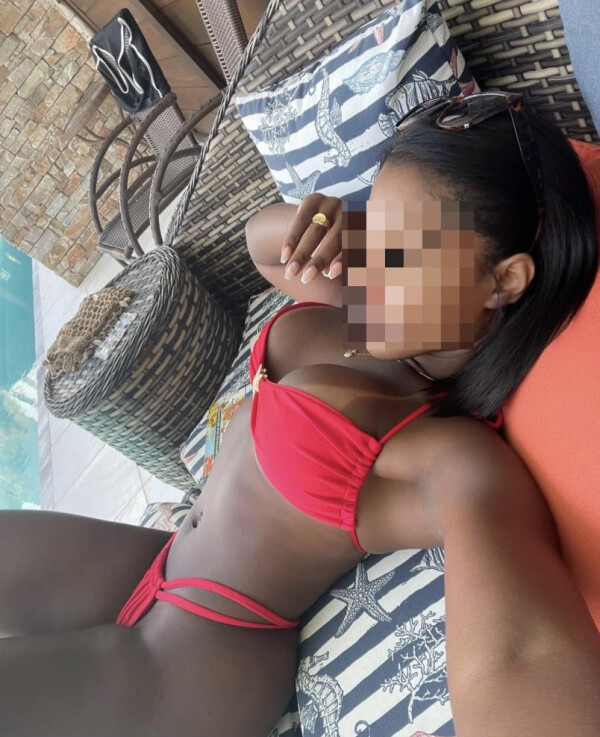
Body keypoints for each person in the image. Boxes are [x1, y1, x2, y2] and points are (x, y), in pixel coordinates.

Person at [1, 92, 598, 737]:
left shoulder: (441, 452)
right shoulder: (376, 315)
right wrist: (325, 222)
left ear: (502, 282)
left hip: (191, 657)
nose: (370, 266)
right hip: (155, 560)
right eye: (373, 233)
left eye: (402, 254)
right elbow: (265, 249)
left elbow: (517, 663)